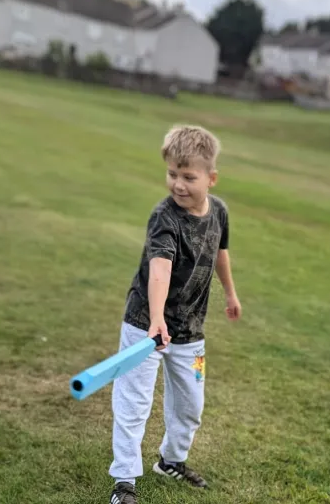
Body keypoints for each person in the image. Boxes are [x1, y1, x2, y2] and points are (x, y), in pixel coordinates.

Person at [108, 125, 242, 504]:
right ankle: (124, 484)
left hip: (191, 330)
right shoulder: (164, 217)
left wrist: (230, 293)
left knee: (190, 403)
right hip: (145, 326)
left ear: (211, 178)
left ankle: (171, 460)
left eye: (188, 176)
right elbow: (160, 268)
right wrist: (155, 319)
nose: (178, 184)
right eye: (172, 174)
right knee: (134, 403)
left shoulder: (219, 212)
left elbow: (220, 252)